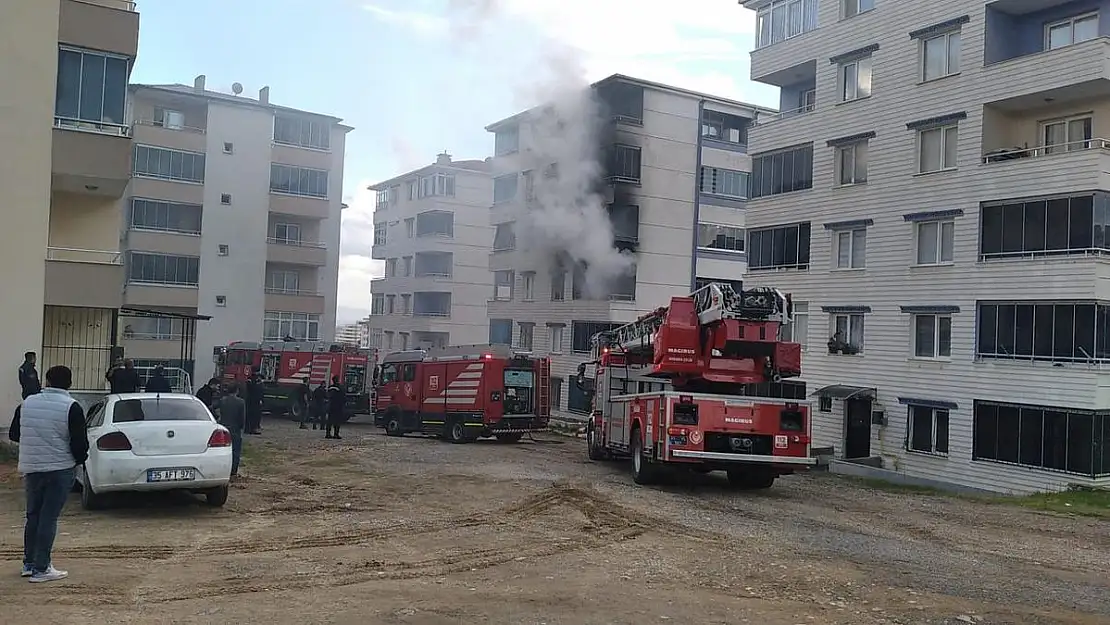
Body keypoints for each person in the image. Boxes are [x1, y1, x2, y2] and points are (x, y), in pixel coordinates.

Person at [7, 365, 88, 583]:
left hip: (32, 468)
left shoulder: (26, 403)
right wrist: (78, 461)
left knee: (33, 516)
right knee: (48, 517)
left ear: (47, 381)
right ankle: (42, 568)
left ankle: (29, 563)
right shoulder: (72, 406)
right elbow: (79, 443)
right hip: (60, 468)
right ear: (69, 383)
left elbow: (15, 434)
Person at [216, 383, 246, 478]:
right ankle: (233, 472)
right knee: (235, 451)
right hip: (235, 429)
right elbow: (242, 418)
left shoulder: (222, 401)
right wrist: (241, 427)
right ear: (237, 391)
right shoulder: (241, 402)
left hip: (224, 427)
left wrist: (217, 419)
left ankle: (222, 469)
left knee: (222, 450)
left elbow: (212, 407)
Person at [325, 376, 346, 440]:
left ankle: (328, 434)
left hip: (331, 406)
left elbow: (327, 396)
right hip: (338, 406)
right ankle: (336, 434)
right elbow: (343, 397)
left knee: (329, 420)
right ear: (338, 380)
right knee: (337, 421)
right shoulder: (340, 388)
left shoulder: (330, 387)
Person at [244, 370, 263, 435]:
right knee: (253, 415)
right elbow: (257, 390)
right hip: (254, 400)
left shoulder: (250, 379)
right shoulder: (257, 380)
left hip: (250, 399)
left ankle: (248, 428)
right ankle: (252, 428)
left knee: (249, 415)